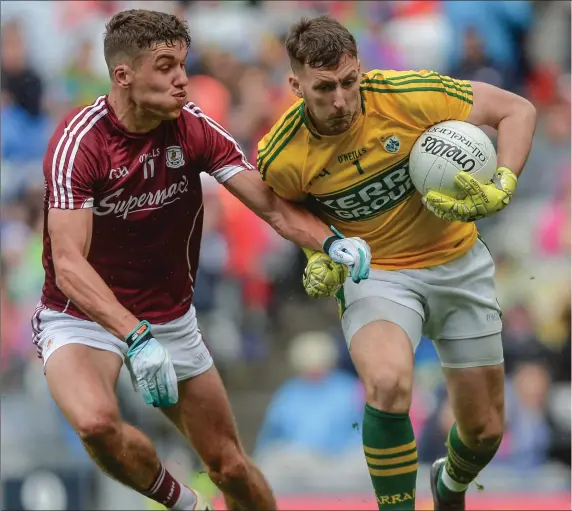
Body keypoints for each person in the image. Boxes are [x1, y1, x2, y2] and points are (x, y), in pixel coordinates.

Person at [31, 9, 371, 511]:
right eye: (166, 66)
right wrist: (135, 337)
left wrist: (331, 242)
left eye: (183, 64)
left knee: (230, 464)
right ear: (123, 75)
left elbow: (271, 204)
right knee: (96, 424)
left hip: (169, 316)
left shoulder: (193, 128)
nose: (182, 79)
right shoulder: (80, 143)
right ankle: (187, 504)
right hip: (81, 316)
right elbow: (68, 264)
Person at [257, 15, 536, 511]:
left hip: (458, 261)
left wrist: (505, 182)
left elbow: (516, 110)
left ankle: (449, 486)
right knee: (387, 384)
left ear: (361, 69)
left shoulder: (409, 94)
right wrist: (318, 250)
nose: (341, 99)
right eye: (324, 88)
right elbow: (286, 209)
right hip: (376, 273)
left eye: (349, 81)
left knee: (484, 432)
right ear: (295, 84)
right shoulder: (281, 154)